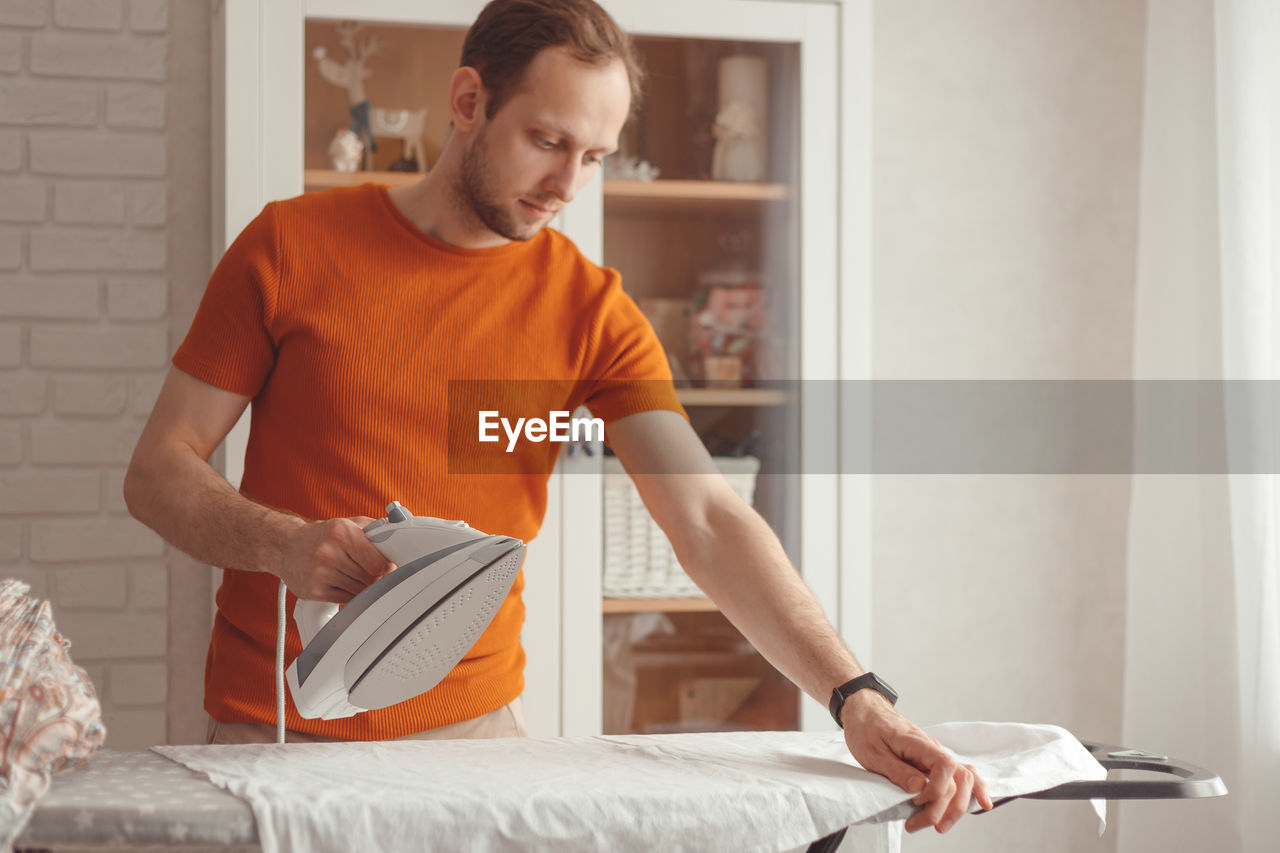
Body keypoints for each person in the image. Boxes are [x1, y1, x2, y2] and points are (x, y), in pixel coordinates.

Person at [125, 0, 991, 835]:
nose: (568, 184)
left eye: (596, 156)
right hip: (273, 738)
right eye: (548, 141)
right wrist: (280, 541)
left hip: (477, 746)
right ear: (468, 102)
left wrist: (856, 696)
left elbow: (709, 516)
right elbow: (159, 470)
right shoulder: (290, 246)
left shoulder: (590, 308)